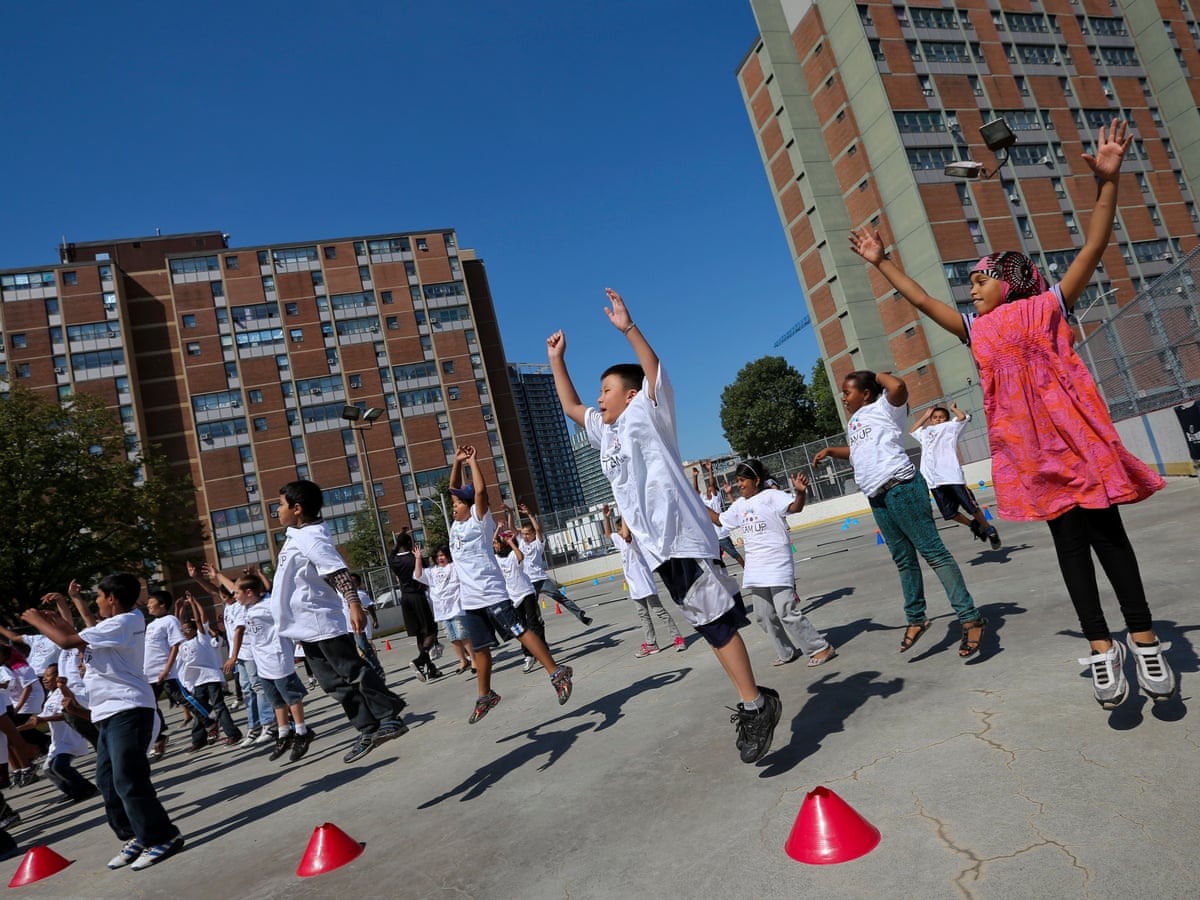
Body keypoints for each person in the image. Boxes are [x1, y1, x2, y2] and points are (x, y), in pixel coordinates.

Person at [848, 118, 1174, 707]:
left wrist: (1107, 184)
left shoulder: (1048, 306)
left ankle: (1145, 638)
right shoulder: (976, 331)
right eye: (969, 282)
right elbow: (922, 301)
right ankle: (1103, 649)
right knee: (1069, 550)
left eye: (979, 280)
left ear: (1008, 282)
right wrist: (881, 262)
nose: (970, 289)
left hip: (1077, 440)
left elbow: (1094, 246)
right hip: (1033, 453)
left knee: (1111, 541)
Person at [547, 288, 781, 764]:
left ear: (631, 394)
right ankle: (756, 700)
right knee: (709, 625)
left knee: (716, 623)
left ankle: (756, 704)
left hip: (683, 537)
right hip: (658, 550)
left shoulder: (648, 412)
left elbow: (652, 368)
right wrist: (557, 361)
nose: (599, 398)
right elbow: (573, 408)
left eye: (606, 390)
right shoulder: (607, 433)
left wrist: (628, 328)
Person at [813, 371, 989, 659]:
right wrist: (833, 450)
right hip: (877, 497)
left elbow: (898, 385)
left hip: (901, 488)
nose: (843, 398)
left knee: (933, 553)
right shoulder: (855, 420)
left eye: (848, 392)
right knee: (904, 560)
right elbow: (860, 451)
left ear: (866, 393)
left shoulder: (885, 406)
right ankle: (917, 618)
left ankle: (970, 619)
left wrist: (872, 375)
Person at [21, 572, 184, 871]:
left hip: (129, 708)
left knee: (128, 778)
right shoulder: (114, 625)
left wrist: (35, 620)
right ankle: (133, 834)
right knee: (108, 780)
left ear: (112, 598)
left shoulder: (126, 621)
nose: (96, 602)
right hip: (108, 711)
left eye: (97, 597)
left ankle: (164, 836)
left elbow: (68, 641)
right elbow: (77, 637)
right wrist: (53, 620)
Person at [271, 480, 409, 763]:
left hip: (321, 623)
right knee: (333, 684)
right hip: (306, 628)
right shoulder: (296, 536)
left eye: (281, 505)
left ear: (297, 509)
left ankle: (389, 717)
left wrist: (354, 604)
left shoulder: (312, 536)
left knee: (353, 673)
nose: (277, 510)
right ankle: (369, 728)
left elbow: (338, 572)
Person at [448, 446, 572, 723]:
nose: (453, 507)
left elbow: (480, 492)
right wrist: (457, 464)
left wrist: (473, 462)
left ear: (469, 508)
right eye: (453, 504)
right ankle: (485, 695)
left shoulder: (479, 523)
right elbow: (453, 487)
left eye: (457, 504)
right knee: (480, 650)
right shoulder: (455, 526)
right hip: (471, 601)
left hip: (492, 593)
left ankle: (556, 671)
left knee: (521, 630)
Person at [710, 459, 836, 668]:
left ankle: (820, 648)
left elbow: (795, 507)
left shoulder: (772, 496)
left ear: (756, 480)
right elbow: (719, 520)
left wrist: (801, 493)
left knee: (785, 609)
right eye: (737, 481)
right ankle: (786, 652)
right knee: (763, 615)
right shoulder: (740, 504)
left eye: (743, 480)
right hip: (755, 567)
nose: (739, 485)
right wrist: (694, 504)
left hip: (777, 563)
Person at [237, 577, 313, 763]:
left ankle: (302, 732)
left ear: (249, 592)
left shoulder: (270, 604)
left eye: (237, 593)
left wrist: (301, 639)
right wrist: (216, 575)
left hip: (277, 656)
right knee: (276, 700)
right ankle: (283, 733)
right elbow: (237, 587)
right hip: (261, 661)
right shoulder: (247, 607)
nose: (234, 596)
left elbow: (292, 616)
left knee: (291, 697)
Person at [911, 403, 1001, 549]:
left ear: (947, 419)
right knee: (949, 513)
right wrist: (925, 416)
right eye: (935, 418)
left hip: (952, 476)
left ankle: (988, 528)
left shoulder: (951, 428)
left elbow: (962, 417)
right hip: (934, 480)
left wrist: (953, 409)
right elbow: (913, 430)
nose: (938, 420)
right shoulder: (926, 432)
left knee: (971, 506)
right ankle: (973, 525)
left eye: (941, 417)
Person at [602, 503, 685, 656]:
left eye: (620, 529)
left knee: (659, 611)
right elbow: (608, 534)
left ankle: (678, 638)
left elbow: (626, 534)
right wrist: (606, 518)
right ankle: (651, 643)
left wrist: (624, 513)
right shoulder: (621, 541)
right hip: (634, 586)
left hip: (644, 583)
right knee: (643, 615)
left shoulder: (634, 539)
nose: (619, 532)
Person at [20, 664, 98, 803]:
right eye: (43, 677)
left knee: (58, 766)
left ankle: (87, 788)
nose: (44, 680)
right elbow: (37, 721)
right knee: (48, 770)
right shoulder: (50, 697)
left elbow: (66, 714)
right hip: (58, 742)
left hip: (70, 739)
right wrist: (16, 730)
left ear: (58, 677)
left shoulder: (65, 693)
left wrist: (44, 719)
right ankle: (72, 791)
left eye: (48, 676)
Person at [177, 595, 242, 749]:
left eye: (188, 629)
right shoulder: (182, 643)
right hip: (196, 681)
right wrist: (180, 609)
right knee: (200, 710)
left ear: (194, 630)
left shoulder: (201, 638)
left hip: (210, 678)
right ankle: (198, 740)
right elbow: (178, 623)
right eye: (184, 630)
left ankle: (233, 734)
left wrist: (193, 603)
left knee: (219, 706)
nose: (185, 632)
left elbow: (200, 620)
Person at [516, 504, 593, 626]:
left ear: (533, 535)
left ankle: (580, 614)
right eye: (523, 534)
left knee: (559, 597)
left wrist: (530, 514)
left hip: (541, 579)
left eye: (527, 534)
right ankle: (538, 622)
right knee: (532, 605)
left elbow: (538, 529)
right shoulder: (520, 543)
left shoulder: (538, 544)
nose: (525, 536)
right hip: (529, 582)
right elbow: (513, 530)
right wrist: (510, 512)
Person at [414, 545, 475, 676]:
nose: (440, 558)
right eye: (438, 556)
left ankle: (474, 660)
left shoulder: (454, 567)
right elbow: (418, 575)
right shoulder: (432, 571)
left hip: (456, 606)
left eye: (442, 555)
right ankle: (463, 661)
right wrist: (418, 558)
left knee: (462, 634)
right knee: (452, 637)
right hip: (442, 610)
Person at [389, 532, 442, 683]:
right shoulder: (415, 559)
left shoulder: (394, 560)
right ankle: (420, 660)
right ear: (411, 544)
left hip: (405, 598)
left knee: (419, 633)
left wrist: (398, 543)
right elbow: (425, 576)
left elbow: (391, 553)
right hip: (418, 596)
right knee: (431, 630)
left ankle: (430, 667)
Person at [493, 527, 546, 674]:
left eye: (498, 544)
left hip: (526, 592)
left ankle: (541, 649)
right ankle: (529, 655)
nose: (495, 546)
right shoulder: (497, 559)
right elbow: (493, 540)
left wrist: (511, 543)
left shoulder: (512, 555)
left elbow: (521, 557)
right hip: (513, 597)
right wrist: (497, 529)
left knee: (533, 623)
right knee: (520, 627)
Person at [696, 461, 745, 567]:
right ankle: (722, 573)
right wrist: (695, 477)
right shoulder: (704, 500)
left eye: (710, 490)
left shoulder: (715, 498)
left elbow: (712, 484)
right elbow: (696, 491)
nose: (709, 491)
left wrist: (710, 470)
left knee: (734, 554)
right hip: (712, 536)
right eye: (708, 491)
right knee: (715, 558)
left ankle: (746, 567)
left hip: (721, 534)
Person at [349, 574, 386, 682]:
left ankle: (378, 674)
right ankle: (363, 676)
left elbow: (370, 607)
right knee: (354, 655)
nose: (352, 584)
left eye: (355, 581)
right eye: (350, 581)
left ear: (359, 584)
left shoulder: (360, 594)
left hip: (359, 628)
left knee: (366, 651)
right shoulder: (341, 595)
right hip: (347, 629)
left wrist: (375, 620)